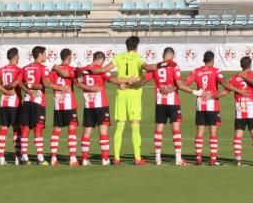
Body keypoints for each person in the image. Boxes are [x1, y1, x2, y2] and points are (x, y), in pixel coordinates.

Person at [76, 52, 134, 166]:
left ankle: (84, 159)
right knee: (103, 131)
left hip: (88, 106)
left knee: (87, 132)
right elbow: (113, 80)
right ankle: (105, 159)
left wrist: (88, 88)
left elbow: (77, 83)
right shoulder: (101, 70)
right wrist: (127, 80)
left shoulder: (83, 70)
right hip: (101, 105)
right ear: (102, 60)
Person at [148, 47, 198, 166]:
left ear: (163, 55)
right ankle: (178, 158)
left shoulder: (156, 67)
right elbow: (179, 84)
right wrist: (194, 92)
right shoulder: (174, 66)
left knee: (159, 129)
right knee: (176, 129)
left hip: (160, 102)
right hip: (173, 102)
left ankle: (158, 158)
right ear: (172, 56)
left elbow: (145, 78)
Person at [109, 36, 154, 165]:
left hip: (121, 94)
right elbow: (148, 67)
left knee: (120, 127)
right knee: (135, 126)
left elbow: (108, 69)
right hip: (134, 94)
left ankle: (116, 158)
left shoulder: (119, 57)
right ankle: (137, 158)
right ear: (136, 46)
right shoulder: (138, 58)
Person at [187, 51, 230, 166]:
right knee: (213, 133)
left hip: (200, 105)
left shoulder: (196, 71)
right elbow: (223, 82)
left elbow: (186, 82)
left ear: (203, 60)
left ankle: (198, 158)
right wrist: (233, 88)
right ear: (212, 60)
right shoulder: (215, 71)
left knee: (200, 133)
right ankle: (213, 159)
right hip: (212, 105)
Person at [19, 46, 55, 165]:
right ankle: (40, 158)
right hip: (38, 101)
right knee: (38, 128)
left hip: (27, 100)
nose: (46, 56)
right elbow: (44, 84)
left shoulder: (25, 68)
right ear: (39, 54)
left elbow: (20, 82)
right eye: (44, 54)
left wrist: (28, 89)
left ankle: (24, 157)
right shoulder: (43, 68)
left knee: (25, 128)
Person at [49, 49, 79, 166]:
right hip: (69, 104)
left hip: (58, 105)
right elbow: (75, 81)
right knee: (71, 131)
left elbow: (48, 83)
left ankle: (53, 158)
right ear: (69, 57)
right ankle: (72, 159)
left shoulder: (53, 71)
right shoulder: (71, 69)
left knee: (56, 131)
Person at [0, 47, 23, 165]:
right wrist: (8, 89)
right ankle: (18, 157)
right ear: (16, 57)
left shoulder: (1, 70)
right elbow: (17, 84)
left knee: (3, 130)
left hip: (3, 103)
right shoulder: (19, 70)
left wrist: (2, 89)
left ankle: (1, 158)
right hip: (15, 103)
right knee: (16, 130)